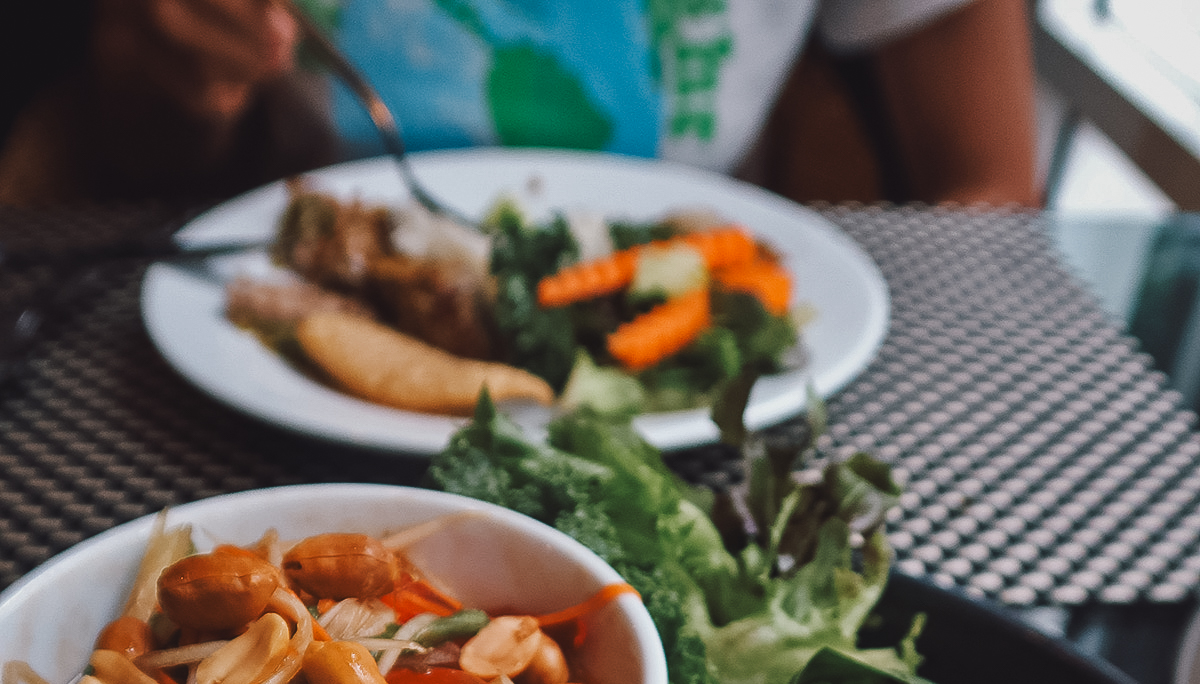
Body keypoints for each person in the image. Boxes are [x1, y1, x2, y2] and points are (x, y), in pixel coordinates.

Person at [0, 0, 1037, 206]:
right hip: (254, 310)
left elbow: (989, 180)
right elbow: (125, 157)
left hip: (704, 409)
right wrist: (167, 66)